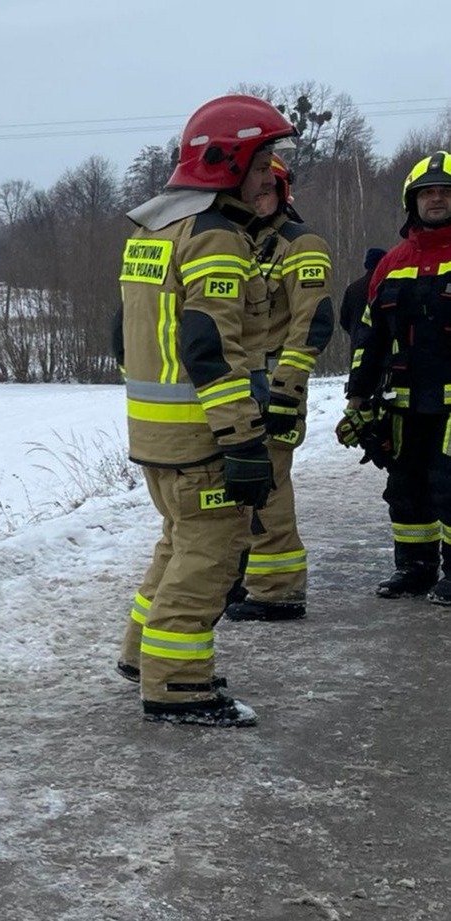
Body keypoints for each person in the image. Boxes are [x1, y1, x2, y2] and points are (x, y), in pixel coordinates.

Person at [114, 94, 296, 727]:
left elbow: (124, 334)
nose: (270, 173)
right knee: (208, 560)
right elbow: (209, 349)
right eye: (262, 159)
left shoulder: (153, 228)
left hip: (158, 436)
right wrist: (244, 440)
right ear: (228, 162)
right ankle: (178, 686)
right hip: (204, 439)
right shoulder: (216, 234)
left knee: (175, 548)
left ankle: (143, 658)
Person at [223, 154, 335, 621]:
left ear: (283, 191)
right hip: (239, 385)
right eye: (255, 185)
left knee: (268, 486)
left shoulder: (300, 243)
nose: (261, 194)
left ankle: (278, 591)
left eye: (271, 187)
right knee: (238, 488)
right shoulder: (236, 241)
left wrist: (288, 390)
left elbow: (313, 323)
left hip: (275, 383)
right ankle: (242, 580)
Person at [342, 151, 451, 602]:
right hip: (404, 401)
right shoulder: (392, 263)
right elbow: (370, 337)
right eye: (428, 193)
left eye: (445, 191)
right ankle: (416, 567)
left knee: (450, 484)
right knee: (406, 486)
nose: (437, 200)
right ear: (412, 202)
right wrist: (358, 396)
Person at [340, 247, 387, 334]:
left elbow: (344, 321)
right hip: (382, 344)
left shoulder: (352, 289)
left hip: (358, 343)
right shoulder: (385, 287)